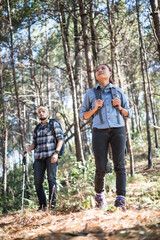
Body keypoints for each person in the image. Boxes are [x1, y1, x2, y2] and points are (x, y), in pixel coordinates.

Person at [80, 64, 132, 210]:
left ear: (110, 73)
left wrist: (120, 107)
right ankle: (99, 197)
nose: (99, 70)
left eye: (103, 68)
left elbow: (129, 113)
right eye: (97, 70)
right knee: (101, 167)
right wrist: (94, 108)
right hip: (99, 131)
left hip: (118, 130)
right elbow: (83, 116)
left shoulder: (119, 91)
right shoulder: (90, 93)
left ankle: (120, 200)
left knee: (119, 165)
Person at [23, 106, 64, 210]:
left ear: (48, 113)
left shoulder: (53, 124)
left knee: (51, 180)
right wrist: (27, 150)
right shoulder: (37, 128)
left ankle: (52, 205)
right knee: (37, 182)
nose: (41, 113)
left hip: (51, 156)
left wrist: (56, 153)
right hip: (39, 158)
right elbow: (34, 143)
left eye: (43, 111)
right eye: (39, 112)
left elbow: (60, 139)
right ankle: (42, 205)